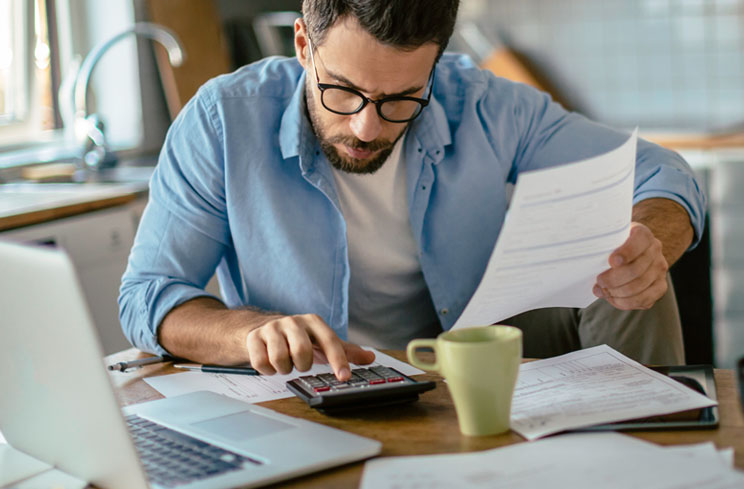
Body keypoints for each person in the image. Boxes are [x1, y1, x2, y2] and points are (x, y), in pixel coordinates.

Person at [119, 0, 706, 381]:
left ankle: (647, 455)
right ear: (303, 45)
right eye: (343, 92)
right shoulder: (223, 120)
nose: (367, 128)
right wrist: (247, 331)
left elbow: (662, 173)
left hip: (475, 353)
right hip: (322, 385)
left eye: (402, 99)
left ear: (435, 68)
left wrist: (649, 240)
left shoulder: (482, 102)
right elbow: (148, 295)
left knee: (629, 251)